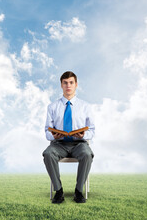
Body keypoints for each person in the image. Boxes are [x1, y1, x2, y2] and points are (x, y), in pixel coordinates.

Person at [43, 71, 95, 204]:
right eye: (65, 83)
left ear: (76, 84)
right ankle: (59, 191)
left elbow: (92, 130)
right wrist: (53, 135)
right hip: (59, 144)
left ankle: (78, 191)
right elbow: (47, 130)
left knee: (87, 154)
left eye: (71, 82)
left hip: (79, 144)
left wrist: (84, 134)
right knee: (48, 153)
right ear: (61, 85)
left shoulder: (85, 106)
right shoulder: (52, 107)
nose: (68, 86)